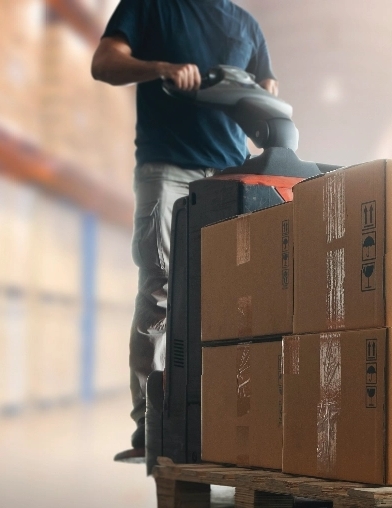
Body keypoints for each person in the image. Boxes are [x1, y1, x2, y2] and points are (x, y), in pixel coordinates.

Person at [91, 0, 278, 462]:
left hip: (230, 173)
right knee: (161, 289)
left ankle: (228, 419)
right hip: (166, 166)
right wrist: (161, 68)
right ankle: (152, 425)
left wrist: (263, 94)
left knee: (237, 298)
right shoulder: (151, 7)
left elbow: (269, 90)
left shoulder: (246, 26)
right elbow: (104, 62)